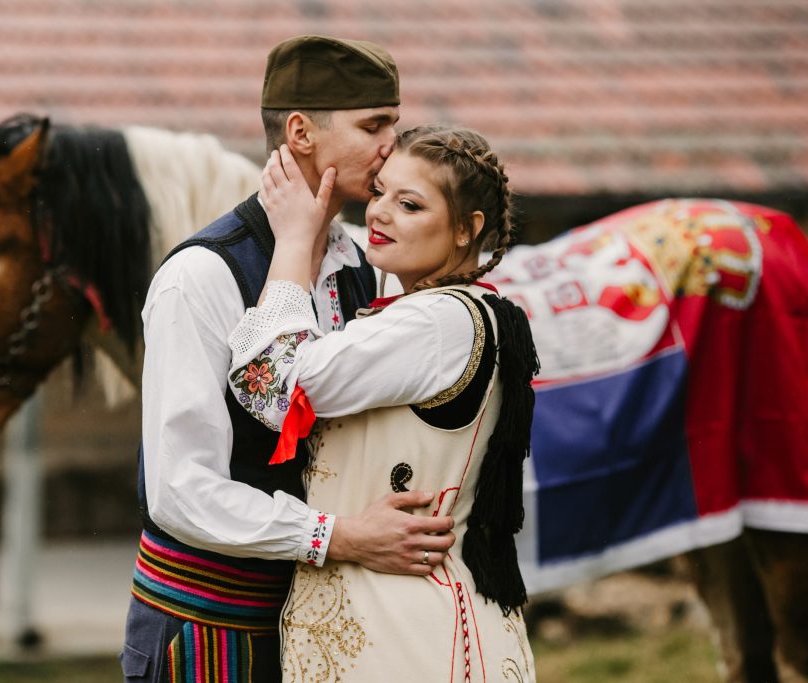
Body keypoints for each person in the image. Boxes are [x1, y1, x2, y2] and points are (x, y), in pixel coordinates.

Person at [121, 36, 457, 682]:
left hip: (323, 617)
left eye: (394, 120)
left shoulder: (363, 262)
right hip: (209, 624)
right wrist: (338, 535)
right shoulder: (200, 277)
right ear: (300, 131)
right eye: (374, 125)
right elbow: (179, 489)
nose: (394, 143)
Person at [226, 126, 540, 680]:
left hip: (410, 639)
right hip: (396, 626)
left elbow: (268, 383)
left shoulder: (435, 321)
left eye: (410, 203)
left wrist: (295, 243)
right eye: (379, 194)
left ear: (469, 230)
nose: (380, 213)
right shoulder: (446, 312)